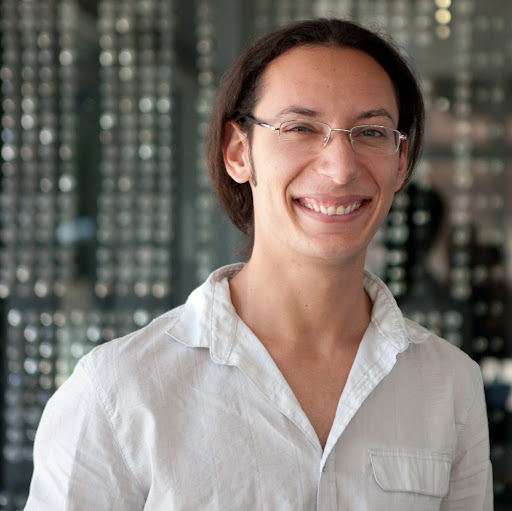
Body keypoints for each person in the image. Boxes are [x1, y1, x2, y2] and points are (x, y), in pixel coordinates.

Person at [25, 18, 492, 510]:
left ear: (400, 162)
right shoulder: (117, 392)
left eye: (372, 132)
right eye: (300, 128)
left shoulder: (449, 383)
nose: (341, 168)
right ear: (238, 152)